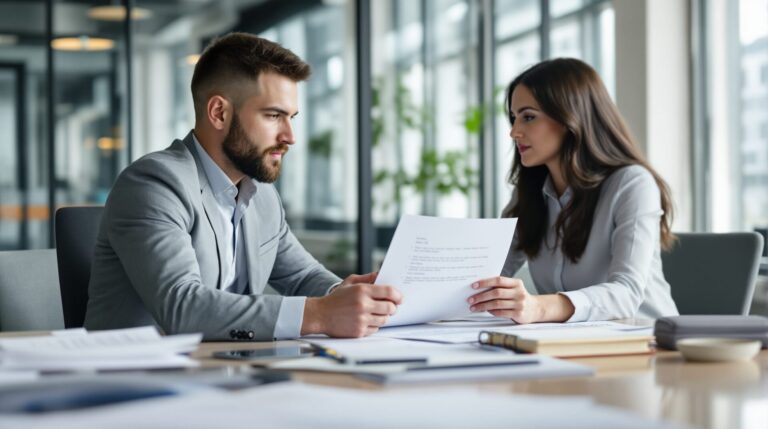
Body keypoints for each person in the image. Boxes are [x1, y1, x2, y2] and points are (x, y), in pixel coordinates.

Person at [85, 33, 402, 341]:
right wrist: (320, 314)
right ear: (219, 113)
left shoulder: (261, 194)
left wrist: (346, 297)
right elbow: (183, 308)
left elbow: (302, 276)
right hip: (135, 383)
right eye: (274, 115)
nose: (290, 136)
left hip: (226, 375)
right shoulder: (153, 185)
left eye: (291, 117)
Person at [467, 58, 679, 323]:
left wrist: (539, 308)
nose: (514, 132)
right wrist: (405, 300)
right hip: (569, 345)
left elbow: (627, 293)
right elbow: (486, 276)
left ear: (570, 118)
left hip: (647, 345)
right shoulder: (529, 193)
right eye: (514, 118)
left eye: (528, 117)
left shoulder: (631, 184)